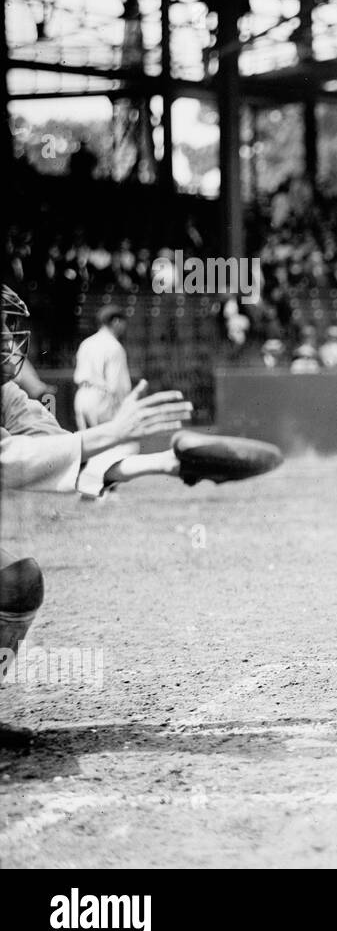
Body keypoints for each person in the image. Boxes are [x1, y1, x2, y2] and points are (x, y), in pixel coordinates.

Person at [1, 285, 193, 683]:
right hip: (104, 397)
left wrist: (164, 463)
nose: (8, 336)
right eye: (0, 326)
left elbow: (56, 448)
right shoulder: (114, 349)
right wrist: (118, 427)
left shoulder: (5, 393)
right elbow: (11, 460)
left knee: (17, 584)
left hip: (84, 398)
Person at [73, 304, 132, 430]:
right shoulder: (114, 346)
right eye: (122, 322)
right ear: (116, 321)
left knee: (88, 445)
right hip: (102, 399)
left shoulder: (86, 343)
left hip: (82, 396)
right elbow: (116, 386)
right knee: (109, 445)